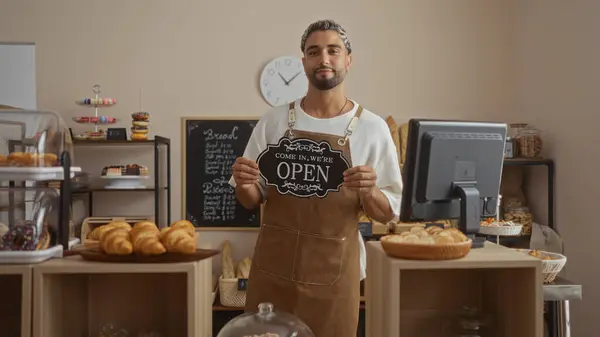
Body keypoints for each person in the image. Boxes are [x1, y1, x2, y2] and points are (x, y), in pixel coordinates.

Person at [229, 19, 403, 337]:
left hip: (335, 276)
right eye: (314, 52)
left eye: (333, 51)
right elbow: (252, 199)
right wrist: (244, 182)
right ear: (304, 62)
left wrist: (370, 191)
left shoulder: (372, 128)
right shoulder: (274, 121)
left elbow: (388, 212)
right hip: (272, 273)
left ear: (348, 59)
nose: (323, 59)